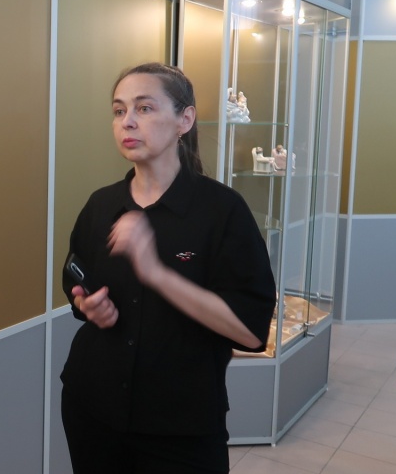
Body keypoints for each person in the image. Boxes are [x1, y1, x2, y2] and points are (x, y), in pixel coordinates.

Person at [60, 63, 276, 473]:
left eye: (144, 108)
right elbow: (74, 279)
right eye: (119, 110)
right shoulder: (101, 205)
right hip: (92, 408)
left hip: (181, 424)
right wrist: (87, 306)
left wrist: (156, 273)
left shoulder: (222, 211)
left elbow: (250, 332)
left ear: (184, 120)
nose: (128, 122)